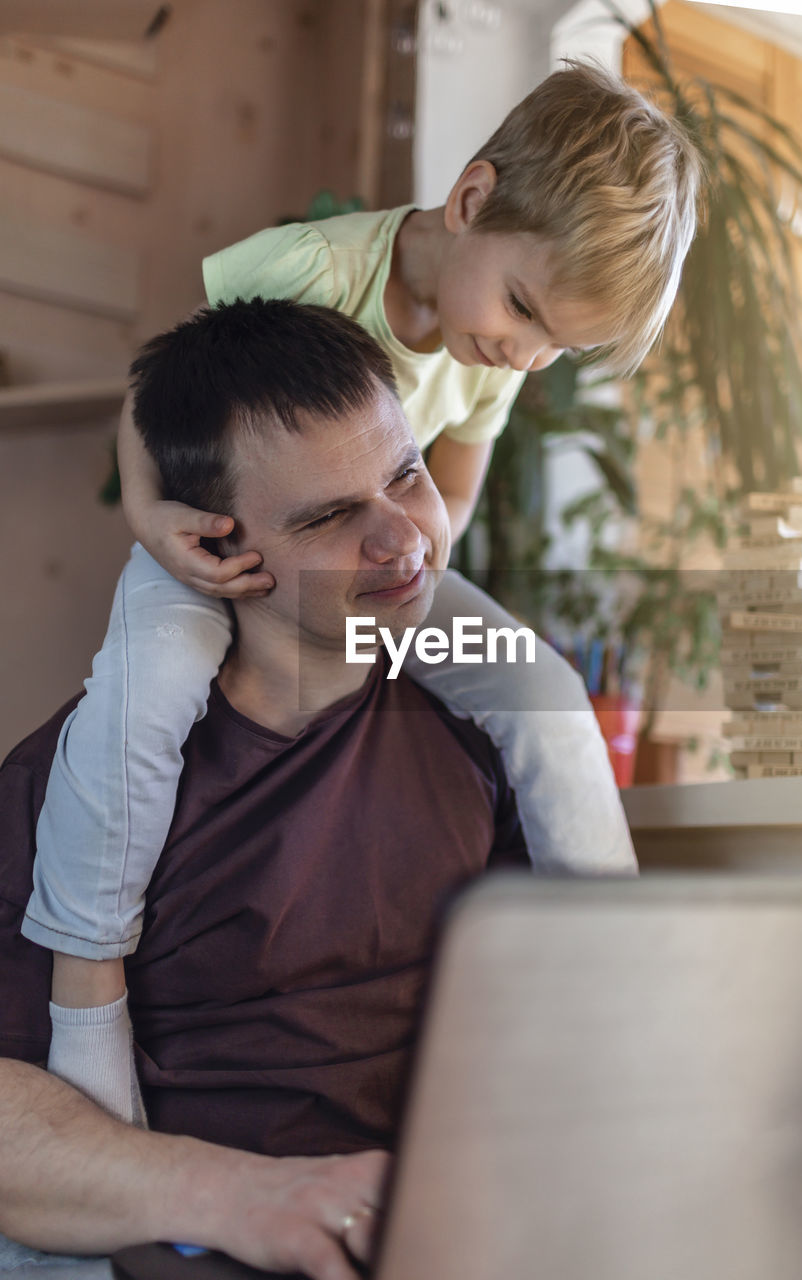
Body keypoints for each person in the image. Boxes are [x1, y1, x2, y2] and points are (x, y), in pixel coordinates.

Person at [24, 61, 702, 1121]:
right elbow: (169, 391)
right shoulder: (313, 266)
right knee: (141, 697)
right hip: (209, 551)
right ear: (471, 200)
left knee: (544, 696)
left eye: (552, 345)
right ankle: (84, 992)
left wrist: (415, 583)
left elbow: (458, 481)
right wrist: (154, 521)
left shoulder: (495, 352)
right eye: (522, 307)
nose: (522, 352)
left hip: (388, 579)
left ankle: (604, 966)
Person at [0, 298, 530, 1275]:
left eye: (406, 474)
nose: (402, 540)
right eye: (330, 515)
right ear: (210, 543)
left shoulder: (480, 737)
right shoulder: (72, 788)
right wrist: (244, 1196)